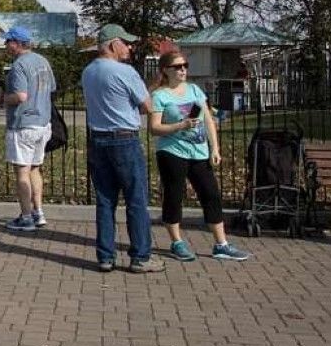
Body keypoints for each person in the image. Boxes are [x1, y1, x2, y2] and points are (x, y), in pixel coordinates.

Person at [148, 51, 251, 262]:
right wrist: (180, 125)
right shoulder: (160, 95)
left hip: (199, 152)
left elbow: (209, 120)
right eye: (177, 66)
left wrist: (215, 148)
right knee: (175, 197)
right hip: (172, 151)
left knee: (211, 194)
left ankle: (221, 244)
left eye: (185, 65)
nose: (183, 70)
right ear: (166, 70)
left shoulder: (195, 90)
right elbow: (154, 128)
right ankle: (177, 242)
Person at [80, 24, 164, 273]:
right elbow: (146, 107)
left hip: (98, 138)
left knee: (105, 200)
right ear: (112, 44)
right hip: (124, 140)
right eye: (126, 43)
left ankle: (105, 257)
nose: (129, 47)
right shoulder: (125, 72)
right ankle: (141, 256)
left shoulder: (88, 72)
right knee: (135, 199)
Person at [0, 26, 56, 232]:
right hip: (43, 123)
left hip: (23, 124)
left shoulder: (19, 65)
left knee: (21, 172)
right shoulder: (42, 61)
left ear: (17, 43)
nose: (6, 45)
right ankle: (38, 212)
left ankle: (25, 217)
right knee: (35, 169)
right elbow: (51, 88)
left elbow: (20, 96)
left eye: (8, 42)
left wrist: (0, 99)